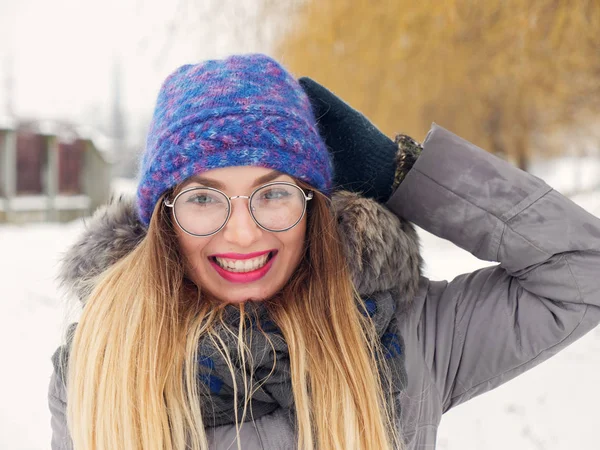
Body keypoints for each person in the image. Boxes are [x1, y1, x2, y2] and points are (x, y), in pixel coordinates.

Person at [48, 53, 600, 450]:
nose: (242, 233)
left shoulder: (411, 336)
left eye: (274, 192)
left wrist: (403, 172)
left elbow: (582, 269)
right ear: (162, 219)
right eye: (202, 198)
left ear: (316, 205)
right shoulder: (99, 362)